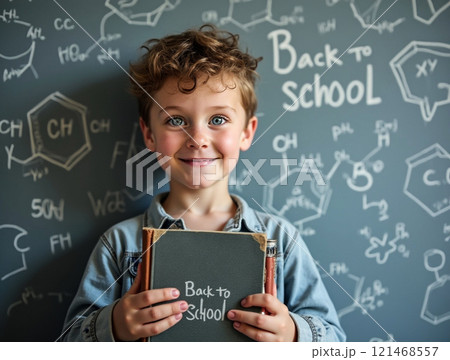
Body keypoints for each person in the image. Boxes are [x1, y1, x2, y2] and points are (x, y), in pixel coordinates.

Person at [60, 24, 345, 342]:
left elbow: (334, 340)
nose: (197, 139)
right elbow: (68, 341)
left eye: (218, 120)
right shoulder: (120, 245)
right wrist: (113, 325)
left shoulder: (282, 241)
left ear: (247, 132)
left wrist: (293, 334)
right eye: (176, 120)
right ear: (150, 134)